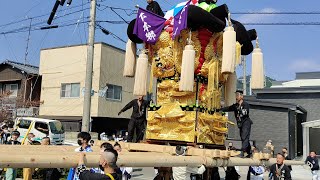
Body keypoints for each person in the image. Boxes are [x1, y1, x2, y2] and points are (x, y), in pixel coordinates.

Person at [219, 90, 253, 158]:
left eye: (238, 95)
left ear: (242, 96)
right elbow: (228, 108)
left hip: (246, 122)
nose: (236, 97)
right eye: (236, 95)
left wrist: (238, 109)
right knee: (244, 137)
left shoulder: (245, 104)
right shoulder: (235, 106)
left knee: (244, 136)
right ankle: (249, 152)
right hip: (240, 124)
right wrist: (220, 109)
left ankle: (242, 152)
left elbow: (245, 113)